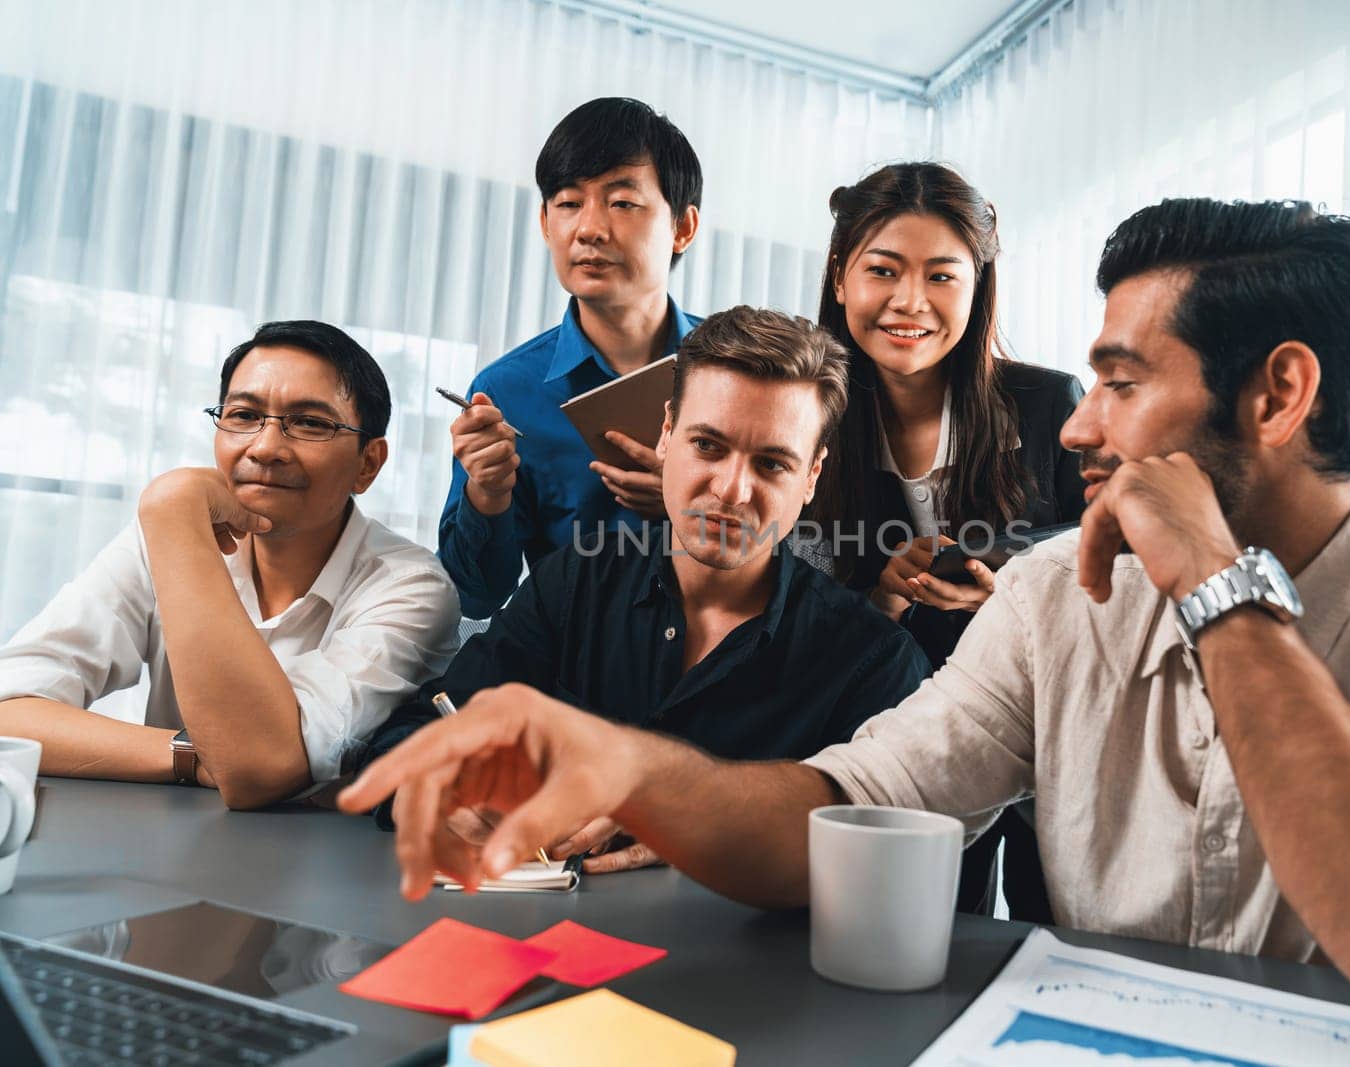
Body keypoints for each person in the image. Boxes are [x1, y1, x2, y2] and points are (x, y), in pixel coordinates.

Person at [342, 199, 1350, 1063]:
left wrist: (1219, 582)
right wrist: (626, 768)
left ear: (1276, 393)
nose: (1077, 426)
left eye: (1119, 381)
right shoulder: (1059, 595)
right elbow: (851, 804)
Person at [357, 306, 930, 873]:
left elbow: (885, 852)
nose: (732, 490)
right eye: (708, 446)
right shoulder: (573, 583)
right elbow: (413, 733)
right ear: (665, 436)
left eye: (773, 464)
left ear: (812, 477)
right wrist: (431, 792)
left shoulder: (873, 663)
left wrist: (704, 826)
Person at [0, 321, 460, 810]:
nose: (263, 448)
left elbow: (259, 769)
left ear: (368, 463)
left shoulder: (412, 587)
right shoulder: (174, 531)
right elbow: (11, 709)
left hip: (323, 865)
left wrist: (241, 759)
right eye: (243, 414)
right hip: (163, 840)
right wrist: (196, 756)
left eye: (310, 423)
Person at [805, 162, 1088, 921]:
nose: (910, 302)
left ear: (977, 287)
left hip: (1047, 726)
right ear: (840, 279)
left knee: (1047, 930)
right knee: (920, 935)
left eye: (942, 276)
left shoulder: (1049, 403)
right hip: (896, 735)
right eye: (883, 271)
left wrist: (1006, 565)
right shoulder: (810, 423)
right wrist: (885, 594)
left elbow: (1112, 535)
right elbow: (800, 613)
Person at [439, 97, 705, 618]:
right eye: (567, 203)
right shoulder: (508, 389)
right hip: (570, 673)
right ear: (544, 222)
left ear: (682, 227)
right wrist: (486, 495)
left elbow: (807, 545)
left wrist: (687, 512)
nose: (588, 229)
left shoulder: (741, 374)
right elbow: (475, 598)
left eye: (622, 203)